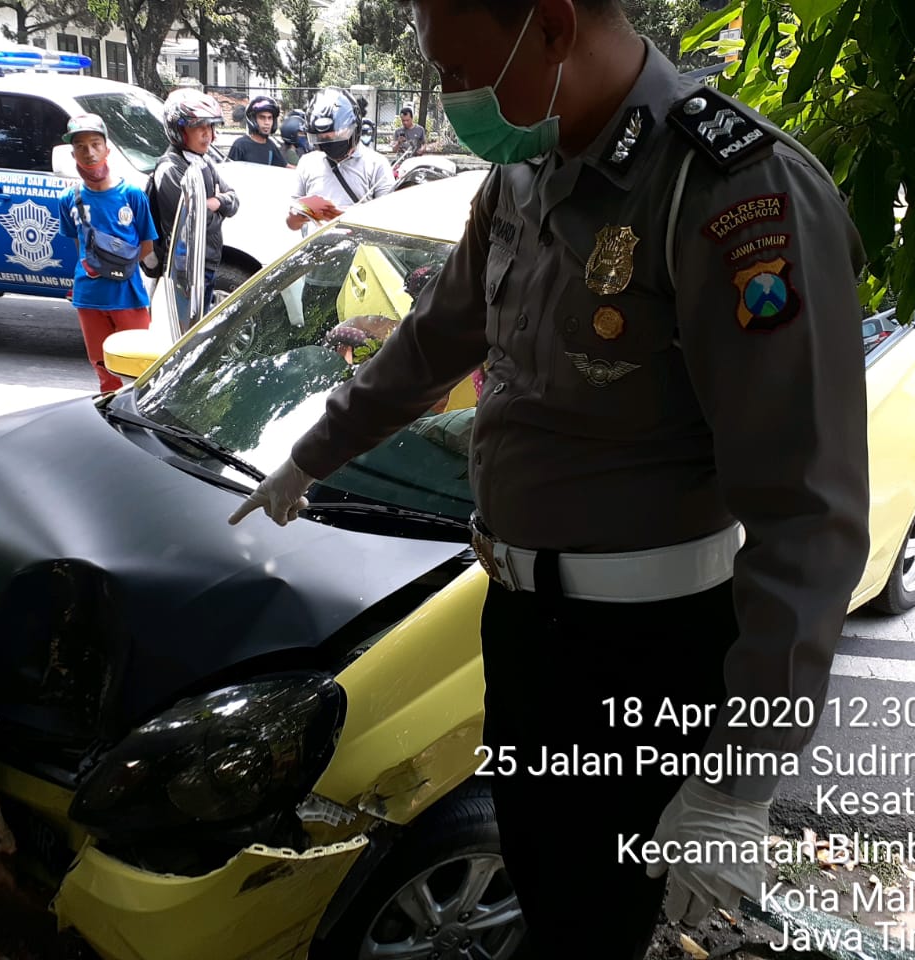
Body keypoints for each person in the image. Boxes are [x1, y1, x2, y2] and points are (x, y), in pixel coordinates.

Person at [228, 1, 870, 957]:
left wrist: (742, 772)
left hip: (647, 656)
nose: (449, 100)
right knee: (543, 877)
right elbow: (437, 336)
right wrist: (315, 451)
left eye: (457, 71)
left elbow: (805, 510)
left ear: (555, 27)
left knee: (594, 920)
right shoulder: (527, 171)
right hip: (526, 623)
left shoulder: (731, 194)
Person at [57, 113, 157, 394]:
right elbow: (79, 247)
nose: (89, 153)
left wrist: (117, 267)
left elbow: (147, 246)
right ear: (72, 152)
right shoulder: (69, 199)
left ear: (107, 149)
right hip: (89, 296)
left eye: (95, 144)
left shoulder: (132, 194)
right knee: (102, 368)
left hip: (128, 293)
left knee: (142, 369)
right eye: (81, 146)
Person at [151, 89, 238, 310]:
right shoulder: (170, 169)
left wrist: (217, 203)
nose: (208, 134)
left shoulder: (203, 161)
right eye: (200, 127)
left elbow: (234, 200)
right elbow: (191, 224)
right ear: (179, 130)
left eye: (210, 126)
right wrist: (215, 210)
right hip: (185, 273)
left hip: (206, 266)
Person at [285, 87, 393, 233]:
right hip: (316, 251)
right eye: (322, 139)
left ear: (354, 130)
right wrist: (296, 217)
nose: (330, 143)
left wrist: (351, 218)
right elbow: (291, 224)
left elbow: (389, 221)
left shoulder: (376, 164)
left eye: (336, 136)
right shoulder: (307, 163)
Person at [226, 95, 290, 167]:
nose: (267, 122)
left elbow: (285, 167)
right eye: (262, 118)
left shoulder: (271, 146)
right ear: (253, 120)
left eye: (270, 118)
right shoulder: (240, 145)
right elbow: (229, 171)